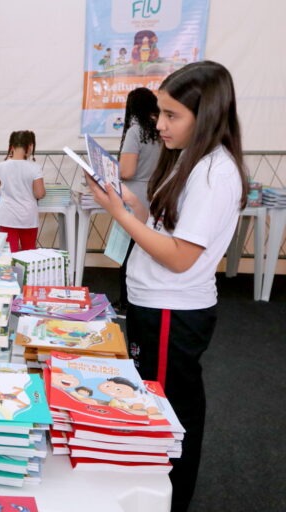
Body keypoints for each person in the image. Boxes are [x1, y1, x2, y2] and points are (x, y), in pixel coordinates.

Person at [85, 60, 247, 512]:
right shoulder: (190, 162)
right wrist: (130, 203)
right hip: (154, 303)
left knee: (171, 413)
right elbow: (168, 229)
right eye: (159, 112)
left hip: (172, 311)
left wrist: (119, 215)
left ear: (207, 114)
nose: (160, 124)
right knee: (155, 405)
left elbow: (179, 256)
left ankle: (169, 500)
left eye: (172, 115)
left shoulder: (215, 173)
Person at [115, 88, 161, 311]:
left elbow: (126, 172)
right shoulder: (161, 131)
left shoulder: (136, 132)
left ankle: (125, 302)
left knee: (127, 251)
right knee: (148, 250)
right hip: (157, 194)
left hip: (134, 196)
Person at [0, 130, 45, 252]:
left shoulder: (2, 166)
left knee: (9, 254)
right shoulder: (35, 167)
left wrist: (4, 180)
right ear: (30, 146)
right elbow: (39, 193)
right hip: (28, 218)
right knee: (29, 254)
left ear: (11, 147)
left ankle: (11, 271)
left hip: (7, 217)